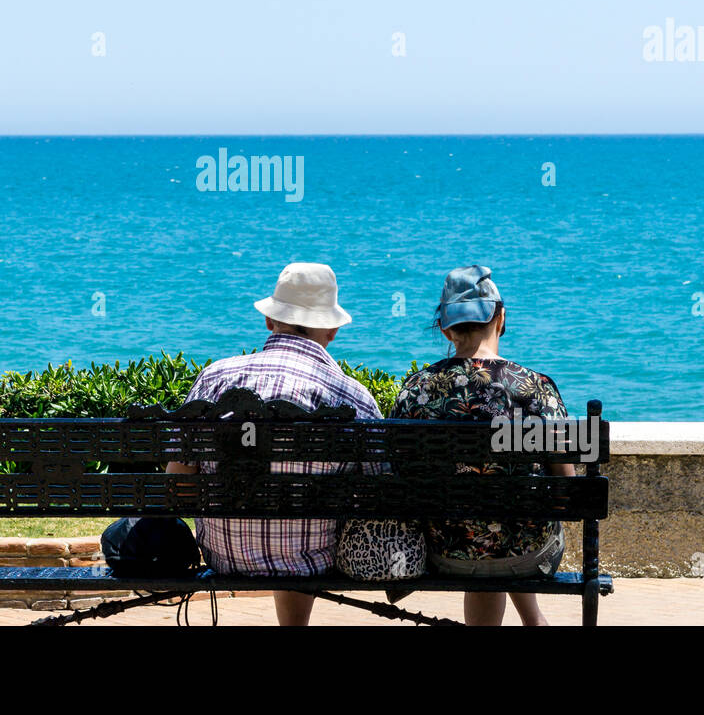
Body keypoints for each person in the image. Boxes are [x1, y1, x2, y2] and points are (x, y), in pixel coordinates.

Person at [166, 262, 382, 626]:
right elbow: (381, 489)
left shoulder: (216, 377)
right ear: (332, 330)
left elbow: (177, 480)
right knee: (306, 525)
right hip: (311, 557)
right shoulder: (352, 398)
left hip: (223, 553)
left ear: (269, 320)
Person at [390, 265, 575, 626]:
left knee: (483, 531)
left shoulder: (416, 391)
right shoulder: (535, 388)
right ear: (501, 317)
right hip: (529, 552)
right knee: (510, 526)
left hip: (446, 552)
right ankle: (534, 619)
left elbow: (399, 476)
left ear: (444, 326)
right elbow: (566, 489)